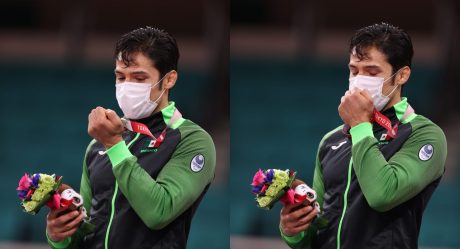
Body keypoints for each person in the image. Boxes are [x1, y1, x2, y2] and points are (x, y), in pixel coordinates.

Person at [279, 22, 447, 249]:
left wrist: (359, 124)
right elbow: (319, 225)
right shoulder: (331, 140)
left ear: (402, 75)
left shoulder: (424, 135)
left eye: (372, 71)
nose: (359, 80)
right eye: (354, 70)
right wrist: (293, 231)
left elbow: (383, 195)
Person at [45, 27, 216, 249]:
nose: (127, 86)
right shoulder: (97, 144)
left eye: (139, 77)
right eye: (120, 77)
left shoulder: (191, 140)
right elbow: (86, 228)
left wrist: (114, 145)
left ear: (169, 80)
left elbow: (159, 212)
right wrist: (59, 236)